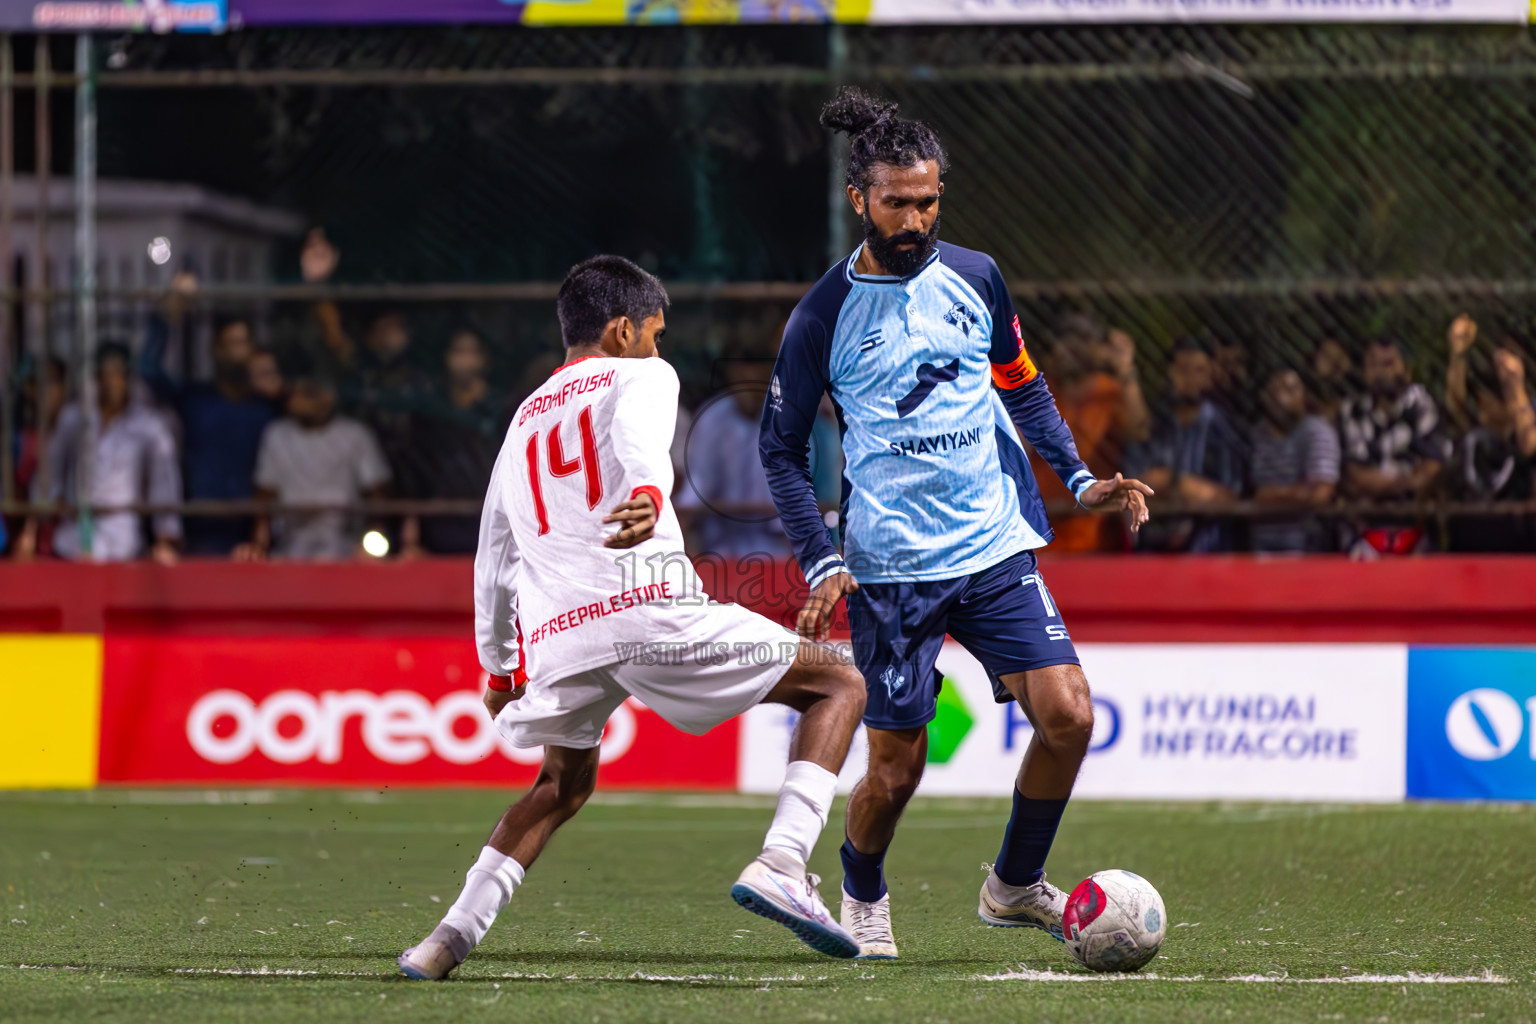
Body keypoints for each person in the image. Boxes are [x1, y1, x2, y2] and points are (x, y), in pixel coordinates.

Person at [759, 89, 1151, 961]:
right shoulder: (821, 315)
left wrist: (1079, 478)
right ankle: (860, 887)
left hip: (993, 546)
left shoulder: (976, 276)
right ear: (860, 198)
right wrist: (822, 562)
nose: (916, 217)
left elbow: (1022, 382)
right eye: (897, 201)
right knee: (896, 771)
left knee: (1070, 716)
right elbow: (780, 451)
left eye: (929, 199)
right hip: (892, 566)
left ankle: (1013, 885)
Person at [397, 256, 867, 981]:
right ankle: (783, 861)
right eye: (656, 332)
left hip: (557, 638)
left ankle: (445, 941)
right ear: (621, 330)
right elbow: (641, 444)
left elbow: (493, 556)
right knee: (838, 683)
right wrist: (651, 491)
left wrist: (500, 666)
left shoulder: (522, 417)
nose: (660, 347)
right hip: (645, 611)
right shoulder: (642, 375)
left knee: (560, 786)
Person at [139, 272, 280, 556]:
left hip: (250, 536)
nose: (236, 352)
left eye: (243, 344)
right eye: (230, 343)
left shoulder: (265, 409)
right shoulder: (196, 400)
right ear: (216, 350)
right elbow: (148, 368)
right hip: (200, 530)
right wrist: (168, 316)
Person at [17, 342, 182, 563]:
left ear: (129, 378)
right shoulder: (74, 419)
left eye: (118, 375)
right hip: (72, 544)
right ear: (96, 378)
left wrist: (164, 540)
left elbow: (164, 483)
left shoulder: (149, 427)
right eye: (106, 375)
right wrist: (31, 530)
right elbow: (49, 475)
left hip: (124, 545)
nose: (112, 382)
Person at [1030, 314, 1150, 553]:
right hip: (1038, 522)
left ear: (1097, 349)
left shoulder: (1110, 390)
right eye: (1064, 341)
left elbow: (1139, 430)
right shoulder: (1043, 388)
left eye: (1080, 341)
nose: (1068, 348)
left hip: (1090, 524)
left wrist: (1125, 369)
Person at [243, 375, 390, 561]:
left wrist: (375, 536)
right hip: (292, 538)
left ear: (327, 398)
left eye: (306, 394)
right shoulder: (277, 434)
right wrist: (260, 540)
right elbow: (265, 492)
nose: (297, 399)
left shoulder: (354, 434)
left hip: (342, 537)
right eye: (295, 393)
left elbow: (375, 489)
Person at [1128, 335, 1247, 553]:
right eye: (1183, 370)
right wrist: (1191, 490)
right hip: (1154, 551)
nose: (1190, 378)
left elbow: (1230, 497)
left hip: (1209, 551)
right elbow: (1133, 488)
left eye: (1199, 370)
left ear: (1211, 375)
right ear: (1170, 373)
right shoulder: (1155, 424)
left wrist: (1173, 482)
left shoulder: (1223, 427)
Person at [1338, 335, 1449, 557]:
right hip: (1366, 525)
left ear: (1406, 369)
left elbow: (1433, 469)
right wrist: (1407, 481)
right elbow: (1355, 476)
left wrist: (1381, 484)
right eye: (1373, 365)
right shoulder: (1353, 410)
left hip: (1416, 521)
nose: (1381, 372)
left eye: (1388, 364)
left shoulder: (1422, 405)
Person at [676, 357, 792, 560]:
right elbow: (699, 483)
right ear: (731, 376)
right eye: (742, 376)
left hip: (778, 549)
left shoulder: (787, 418)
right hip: (719, 548)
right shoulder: (712, 418)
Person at [408, 328, 505, 555]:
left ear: (484, 359)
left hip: (489, 520)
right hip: (440, 524)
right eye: (458, 351)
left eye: (471, 352)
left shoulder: (501, 409)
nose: (464, 360)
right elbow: (417, 468)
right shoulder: (432, 413)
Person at [1443, 319, 1536, 552]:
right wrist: (1458, 355)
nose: (1483, 410)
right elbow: (1456, 407)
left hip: (1515, 535)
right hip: (1470, 531)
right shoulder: (1475, 433)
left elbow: (1530, 446)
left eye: (1488, 403)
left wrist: (1513, 385)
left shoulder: (1526, 417)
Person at [1248, 365, 1340, 553]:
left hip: (1306, 543)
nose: (1282, 398)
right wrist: (1297, 493)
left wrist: (1270, 495)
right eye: (1275, 391)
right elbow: (1252, 493)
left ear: (1304, 395)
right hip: (1261, 544)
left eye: (1290, 389)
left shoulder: (1317, 432)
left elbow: (1321, 494)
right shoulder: (1258, 435)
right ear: (1264, 396)